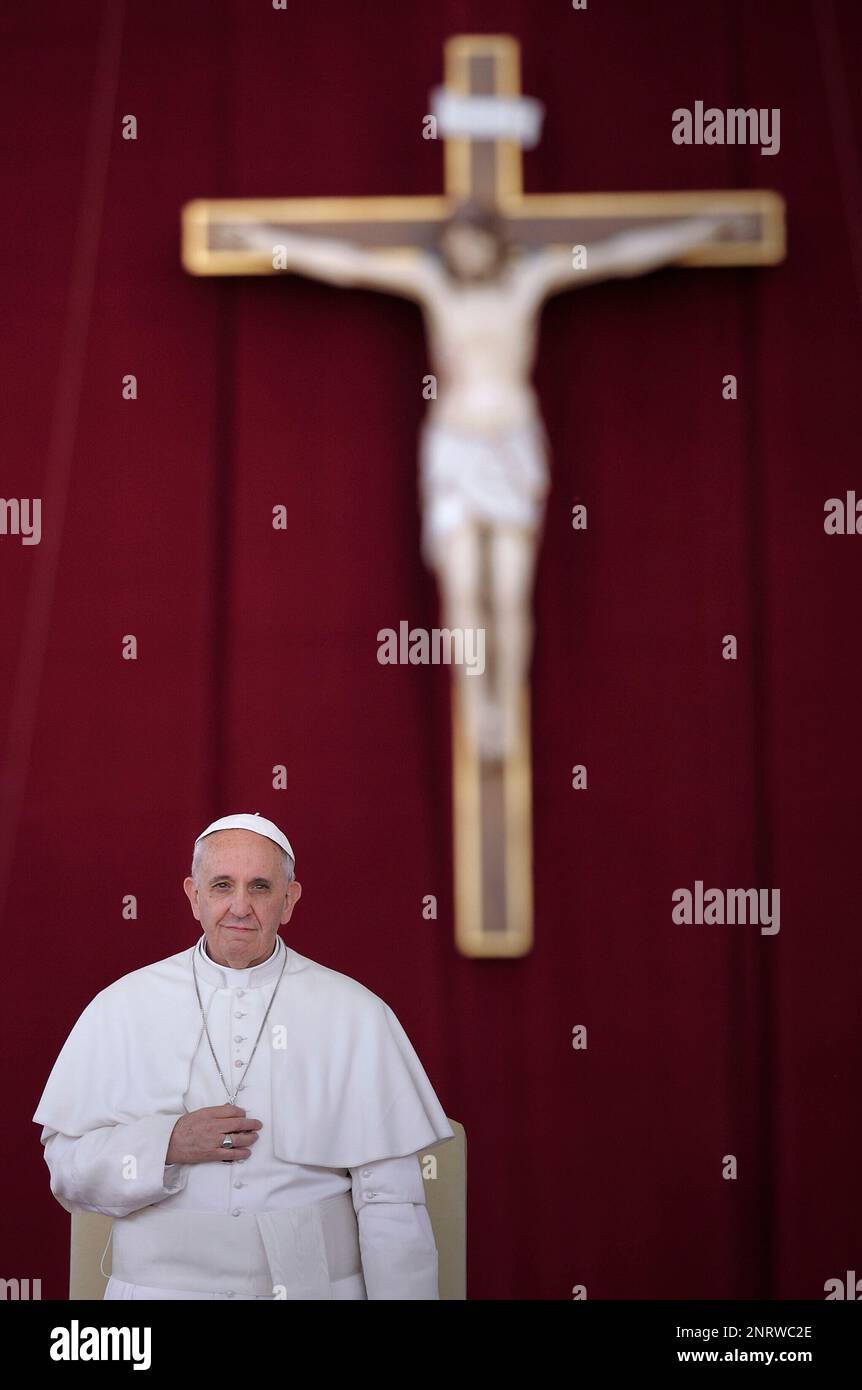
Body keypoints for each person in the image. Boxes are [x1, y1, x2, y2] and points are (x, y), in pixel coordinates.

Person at [230, 203, 742, 759]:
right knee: (465, 586)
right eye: (455, 243)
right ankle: (480, 708)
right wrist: (266, 240)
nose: (464, 253)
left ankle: (508, 697)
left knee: (510, 587)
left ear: (492, 242)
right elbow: (348, 264)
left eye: (473, 241)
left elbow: (618, 259)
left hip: (511, 447)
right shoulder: (433, 285)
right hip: (455, 449)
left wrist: (699, 229)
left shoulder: (530, 281)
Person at [33, 813, 454, 1300]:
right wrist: (166, 1143)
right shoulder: (122, 1006)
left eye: (259, 887)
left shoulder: (356, 1013)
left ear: (289, 900)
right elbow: (67, 1171)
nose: (239, 906)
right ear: (193, 896)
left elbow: (393, 1205)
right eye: (221, 886)